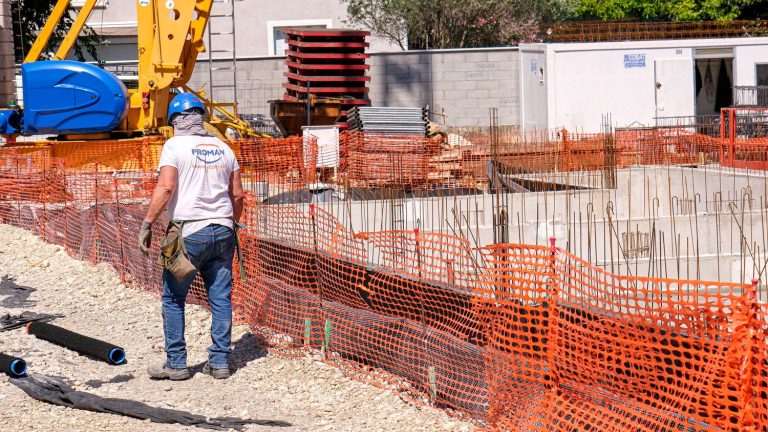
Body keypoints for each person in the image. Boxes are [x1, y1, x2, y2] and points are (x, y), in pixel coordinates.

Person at [138, 93, 244, 380]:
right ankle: (220, 363)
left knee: (173, 298)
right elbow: (237, 194)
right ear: (201, 118)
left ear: (175, 121)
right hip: (223, 231)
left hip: (189, 233)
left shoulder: (174, 146)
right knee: (220, 298)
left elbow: (166, 188)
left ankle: (176, 364)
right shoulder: (224, 148)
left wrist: (148, 222)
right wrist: (232, 222)